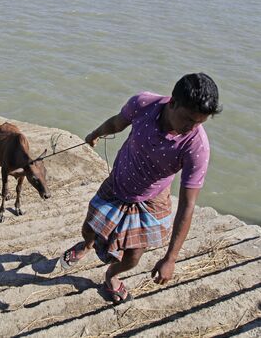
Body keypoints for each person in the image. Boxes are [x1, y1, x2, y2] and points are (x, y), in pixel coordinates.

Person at [60, 73, 222, 304]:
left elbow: (187, 204)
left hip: (152, 198)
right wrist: (95, 134)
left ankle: (111, 276)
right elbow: (116, 123)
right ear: (172, 103)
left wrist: (171, 258)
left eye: (199, 123)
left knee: (134, 256)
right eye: (188, 119)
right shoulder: (143, 104)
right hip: (118, 182)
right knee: (89, 228)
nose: (192, 127)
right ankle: (86, 245)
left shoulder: (197, 147)